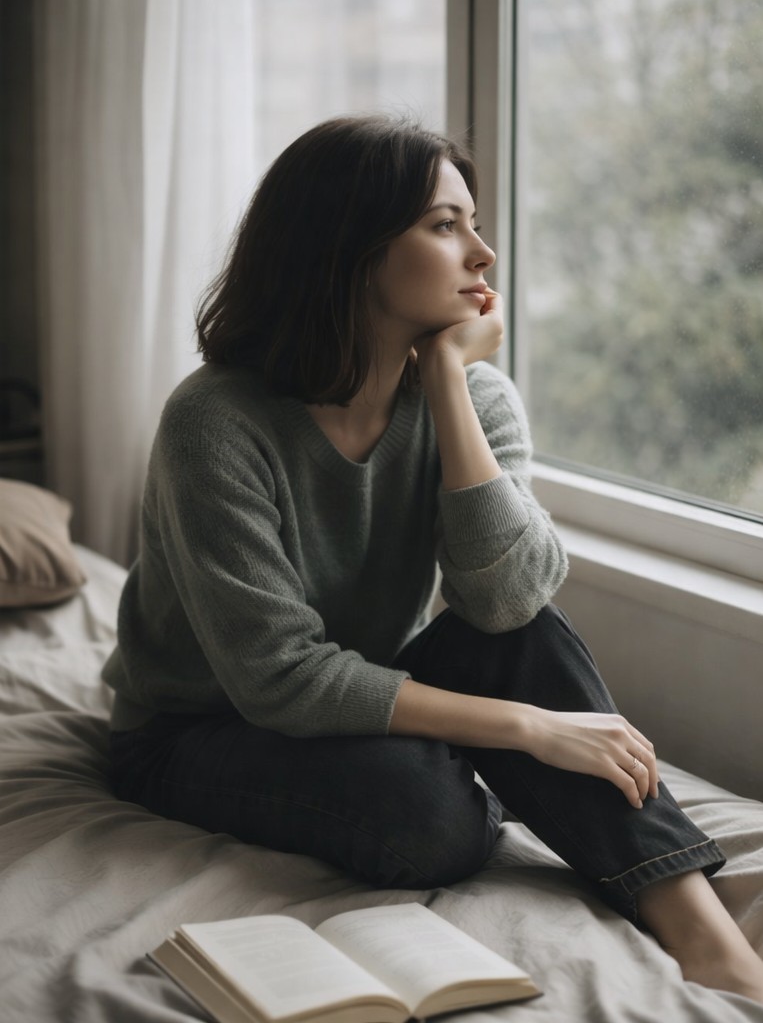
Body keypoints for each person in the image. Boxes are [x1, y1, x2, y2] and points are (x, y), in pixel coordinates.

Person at [105, 113, 763, 1003]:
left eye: (474, 222)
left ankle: (704, 934)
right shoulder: (215, 422)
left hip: (370, 677)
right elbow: (276, 679)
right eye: (445, 225)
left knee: (519, 640)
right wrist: (528, 729)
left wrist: (450, 384)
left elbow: (509, 602)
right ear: (349, 245)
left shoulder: (476, 398)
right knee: (432, 825)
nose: (482, 254)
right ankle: (484, 776)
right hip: (198, 726)